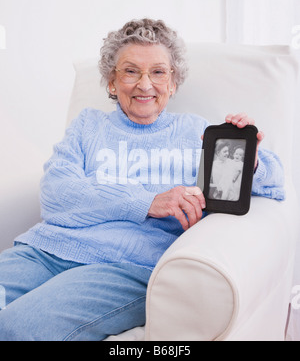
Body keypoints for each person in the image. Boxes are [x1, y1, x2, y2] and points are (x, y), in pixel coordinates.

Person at [0, 18, 285, 341]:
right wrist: (148, 202)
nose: (145, 84)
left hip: (125, 267)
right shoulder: (88, 125)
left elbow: (274, 185)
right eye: (131, 71)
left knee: (16, 329)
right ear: (112, 81)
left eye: (159, 72)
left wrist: (248, 156)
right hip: (46, 250)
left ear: (173, 82)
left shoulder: (197, 133)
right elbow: (57, 194)